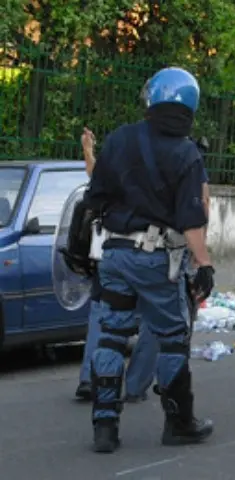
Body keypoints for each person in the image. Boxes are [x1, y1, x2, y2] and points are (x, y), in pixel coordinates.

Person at [83, 67, 215, 453]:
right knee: (173, 339)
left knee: (111, 335)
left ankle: (104, 428)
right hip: (157, 259)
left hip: (116, 254)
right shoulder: (187, 153)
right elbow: (193, 221)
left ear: (152, 98)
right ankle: (179, 423)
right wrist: (204, 264)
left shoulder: (121, 139)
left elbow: (95, 196)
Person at [74, 127, 158, 404]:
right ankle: (134, 386)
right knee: (153, 321)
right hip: (148, 257)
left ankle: (91, 378)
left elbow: (93, 175)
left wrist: (88, 149)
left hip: (110, 256)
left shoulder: (113, 177)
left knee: (103, 316)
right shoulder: (157, 178)